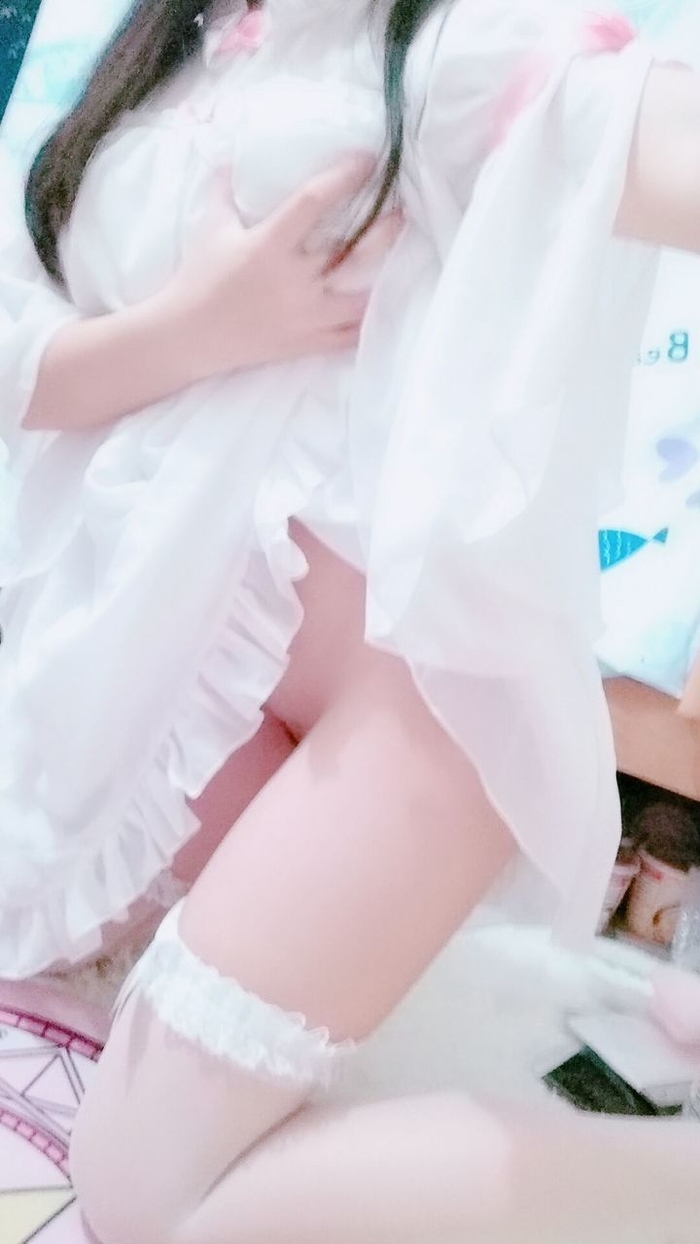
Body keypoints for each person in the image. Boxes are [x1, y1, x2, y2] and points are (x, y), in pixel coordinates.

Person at [1, 0, 700, 1239]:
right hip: (182, 651)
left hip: (409, 716)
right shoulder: (149, 38)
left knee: (147, 1192)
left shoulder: (439, 44)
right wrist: (196, 329)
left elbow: (638, 127)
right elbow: (23, 357)